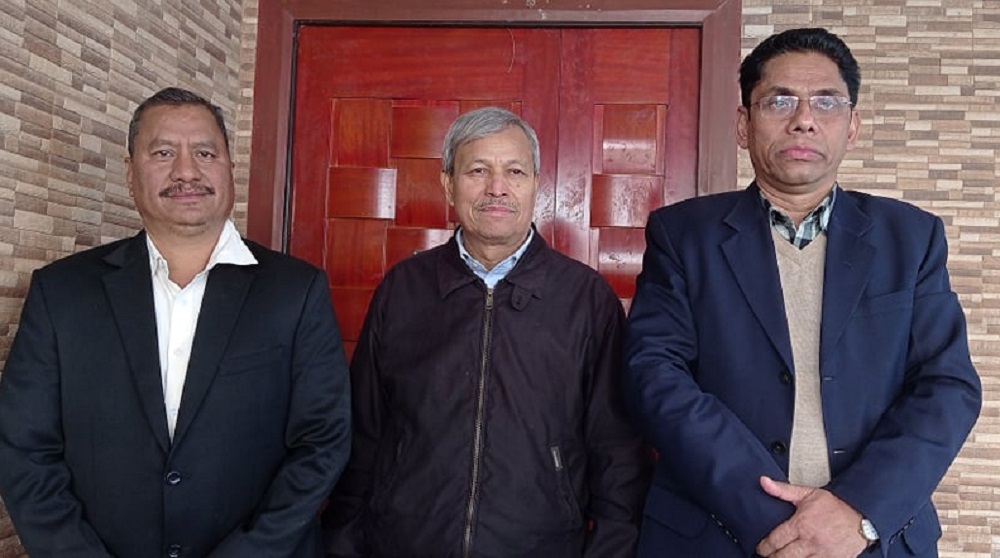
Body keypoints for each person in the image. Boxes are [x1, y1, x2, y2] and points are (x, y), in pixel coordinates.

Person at [623, 27, 981, 558]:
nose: (804, 119)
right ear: (743, 124)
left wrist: (857, 512)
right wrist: (776, 518)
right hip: (717, 533)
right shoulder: (683, 235)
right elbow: (654, 376)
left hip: (870, 539)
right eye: (780, 100)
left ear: (852, 126)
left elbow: (947, 387)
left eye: (827, 101)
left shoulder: (911, 238)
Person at [0, 87, 352, 557]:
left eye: (205, 153)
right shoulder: (61, 292)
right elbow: (24, 448)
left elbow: (323, 441)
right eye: (163, 153)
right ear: (130, 174)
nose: (187, 171)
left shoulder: (296, 291)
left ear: (229, 168)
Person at [322, 106, 650, 557]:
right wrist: (342, 542)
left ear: (535, 183)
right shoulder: (403, 289)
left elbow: (618, 451)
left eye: (514, 171)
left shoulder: (586, 299)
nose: (497, 188)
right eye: (477, 170)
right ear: (448, 183)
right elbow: (363, 434)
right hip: (404, 544)